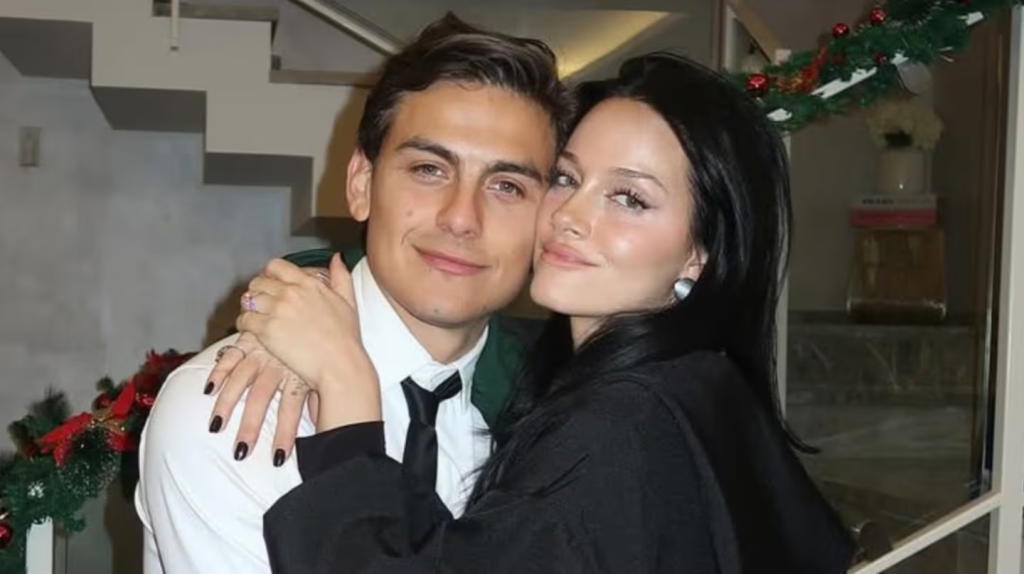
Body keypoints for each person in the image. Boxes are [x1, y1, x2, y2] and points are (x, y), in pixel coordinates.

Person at [230, 53, 857, 572]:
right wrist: (303, 296)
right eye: (565, 179)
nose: (570, 216)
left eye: (629, 198)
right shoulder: (698, 384)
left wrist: (344, 383)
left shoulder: (620, 425)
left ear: (701, 252)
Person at [133, 14, 571, 574]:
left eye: (507, 185)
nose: (462, 218)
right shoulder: (234, 410)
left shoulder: (557, 415)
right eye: (429, 169)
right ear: (361, 184)